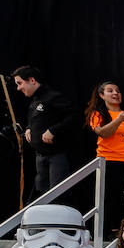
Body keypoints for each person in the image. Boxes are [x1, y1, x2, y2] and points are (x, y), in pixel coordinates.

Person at [12, 66, 81, 198]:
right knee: (42, 195)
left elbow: (74, 116)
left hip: (57, 155)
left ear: (32, 80)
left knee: (58, 194)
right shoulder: (34, 100)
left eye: (20, 83)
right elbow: (37, 119)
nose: (18, 88)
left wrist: (53, 130)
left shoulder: (53, 96)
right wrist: (28, 128)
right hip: (40, 156)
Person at [85, 81, 124, 236]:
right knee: (111, 197)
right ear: (102, 95)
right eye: (110, 91)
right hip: (108, 160)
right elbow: (103, 133)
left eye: (118, 90)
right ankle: (111, 231)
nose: (116, 93)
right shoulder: (97, 114)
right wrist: (118, 120)